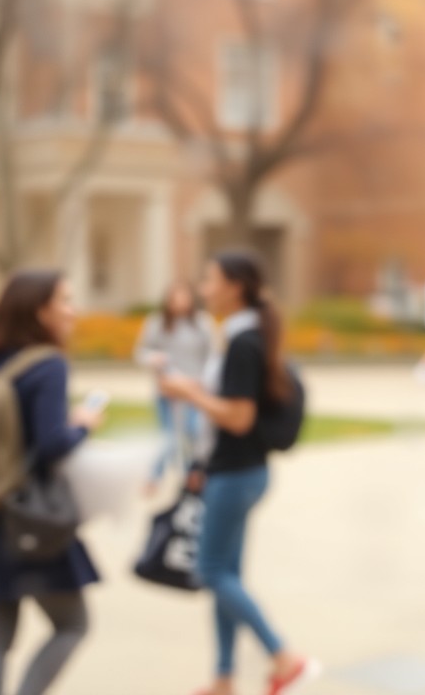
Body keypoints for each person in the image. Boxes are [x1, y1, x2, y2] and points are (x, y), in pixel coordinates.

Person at [158, 252, 318, 695]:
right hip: (234, 471)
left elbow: (239, 418)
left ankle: (285, 658)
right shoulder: (241, 335)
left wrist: (187, 393)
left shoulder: (244, 342)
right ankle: (224, 679)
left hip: (236, 473)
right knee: (225, 576)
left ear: (235, 286)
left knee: (211, 573)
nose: (203, 289)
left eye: (209, 280)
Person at [0, 270, 105, 695]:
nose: (72, 311)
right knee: (73, 625)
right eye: (65, 301)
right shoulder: (48, 366)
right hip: (32, 519)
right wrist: (83, 425)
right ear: (39, 311)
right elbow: (51, 447)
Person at [134, 284, 213, 494]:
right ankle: (155, 476)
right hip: (167, 389)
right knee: (168, 437)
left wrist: (201, 382)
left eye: (183, 297)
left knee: (193, 433)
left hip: (195, 389)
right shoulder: (156, 322)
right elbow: (140, 352)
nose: (179, 302)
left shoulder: (203, 323)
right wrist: (154, 359)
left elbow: (212, 357)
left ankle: (192, 476)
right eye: (175, 297)